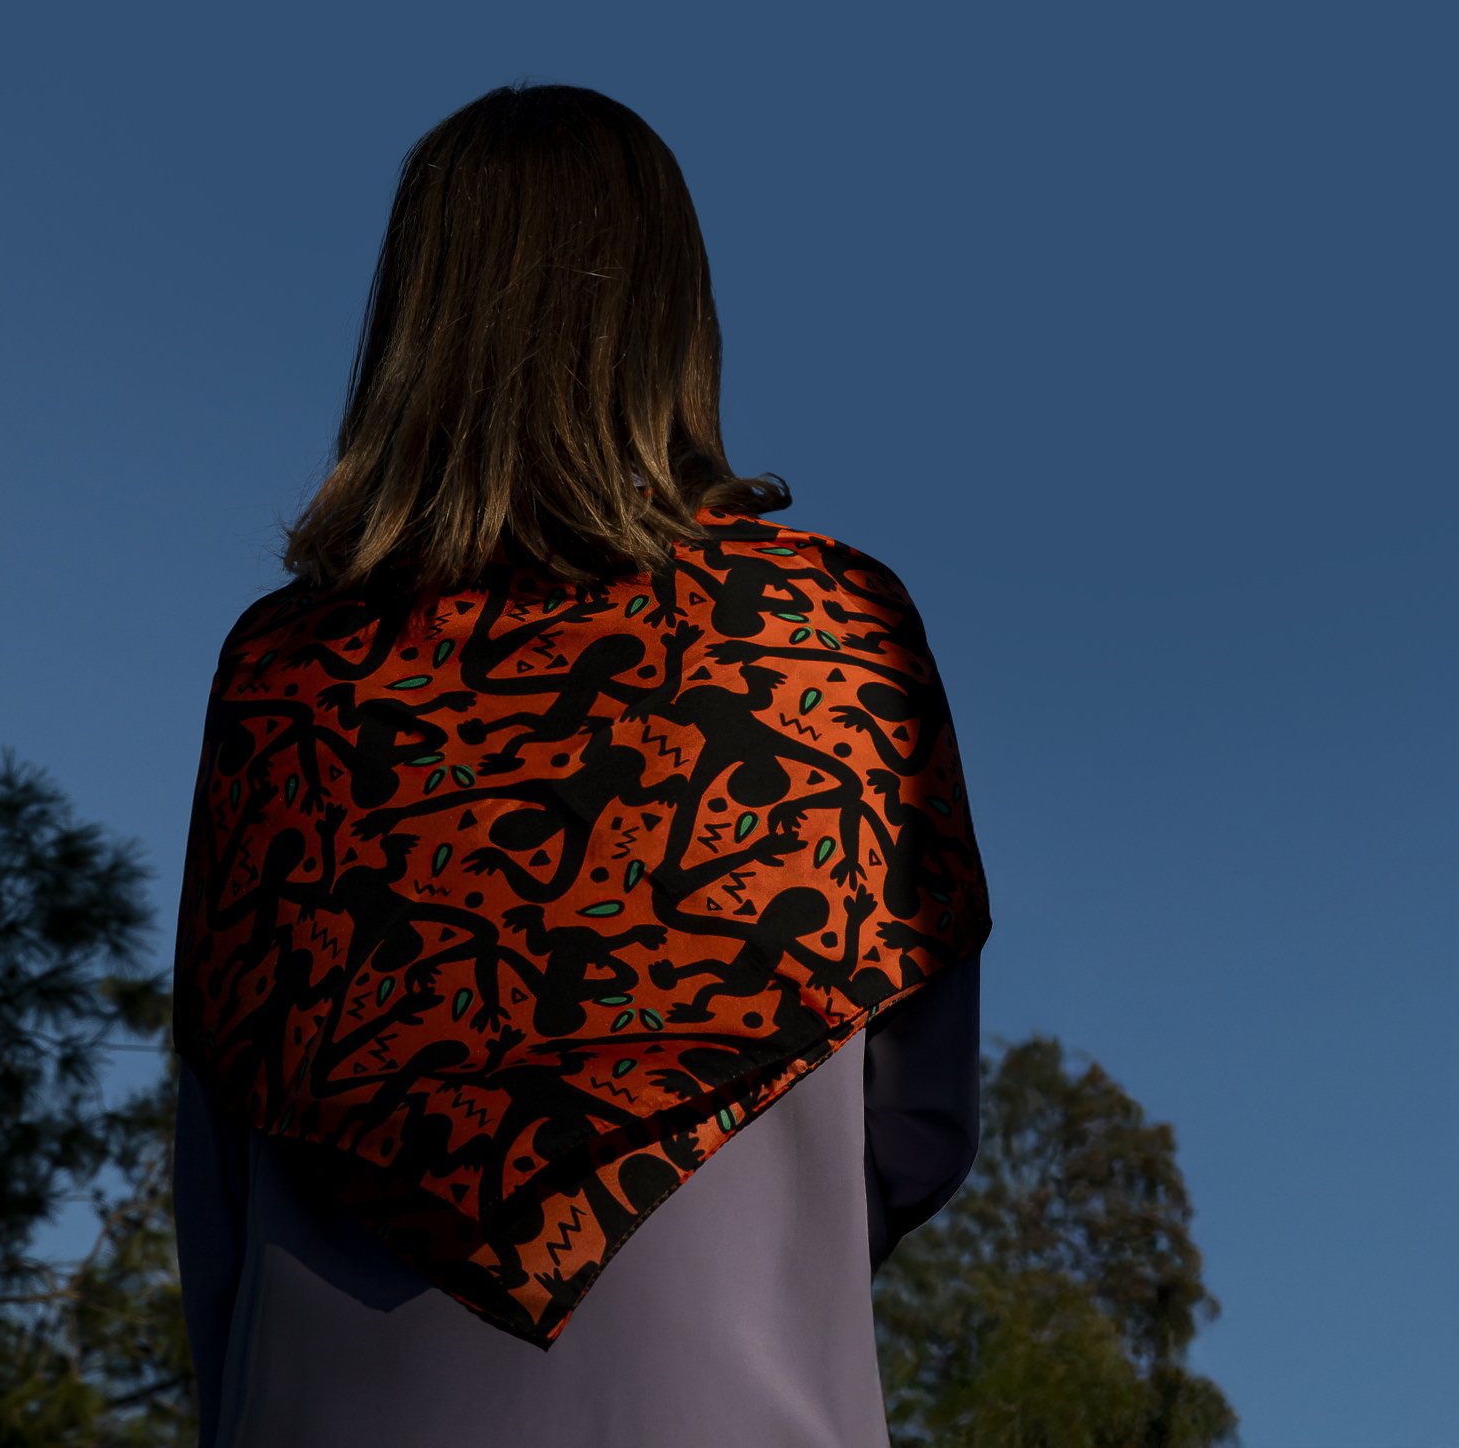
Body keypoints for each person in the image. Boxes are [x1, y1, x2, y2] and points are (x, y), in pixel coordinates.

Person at [169, 81, 992, 1448]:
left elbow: (220, 1169)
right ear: (675, 319)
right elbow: (915, 1124)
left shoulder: (286, 675)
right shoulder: (826, 632)